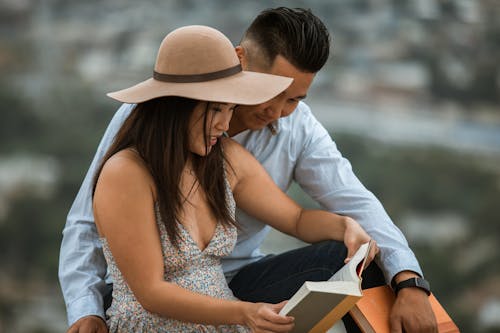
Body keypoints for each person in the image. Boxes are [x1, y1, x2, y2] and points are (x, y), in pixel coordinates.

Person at [59, 7, 437, 333]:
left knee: (358, 260)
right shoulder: (134, 145)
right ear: (241, 61)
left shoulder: (250, 147)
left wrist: (408, 280)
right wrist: (85, 309)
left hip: (238, 283)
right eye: (271, 93)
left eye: (294, 99)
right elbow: (86, 224)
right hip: (154, 303)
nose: (277, 111)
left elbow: (326, 210)